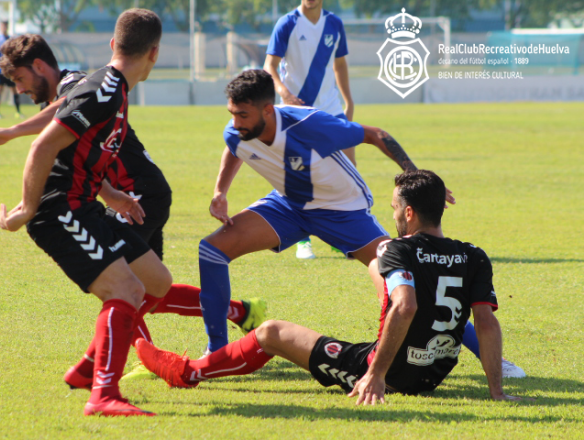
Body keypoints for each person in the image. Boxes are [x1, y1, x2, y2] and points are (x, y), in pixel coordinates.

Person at [0, 33, 267, 384]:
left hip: (137, 191)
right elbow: (77, 156)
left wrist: (11, 131)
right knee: (149, 285)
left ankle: (133, 362)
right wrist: (108, 192)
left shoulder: (80, 84)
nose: (19, 89)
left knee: (125, 286)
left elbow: (61, 118)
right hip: (129, 193)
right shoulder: (93, 89)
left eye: (20, 79)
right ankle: (238, 310)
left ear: (40, 66)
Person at [136, 170, 529, 404]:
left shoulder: (395, 249)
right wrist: (496, 391)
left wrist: (375, 374)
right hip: (435, 373)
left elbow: (405, 307)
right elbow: (486, 323)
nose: (391, 214)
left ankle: (189, 373)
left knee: (271, 332)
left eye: (394, 208)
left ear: (408, 213)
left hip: (391, 373)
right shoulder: (473, 255)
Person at [0, 9, 174, 417]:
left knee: (156, 282)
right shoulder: (103, 91)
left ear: (114, 45)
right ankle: (103, 395)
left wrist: (111, 194)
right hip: (58, 209)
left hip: (87, 204)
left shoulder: (115, 90)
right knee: (125, 291)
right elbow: (43, 146)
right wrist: (26, 209)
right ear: (155, 53)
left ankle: (89, 368)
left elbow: (82, 152)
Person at [198, 69, 440, 356]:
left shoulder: (309, 125)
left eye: (243, 115)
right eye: (232, 113)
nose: (235, 123)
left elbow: (376, 134)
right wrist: (220, 193)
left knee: (398, 284)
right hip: (289, 206)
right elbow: (235, 146)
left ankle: (476, 357)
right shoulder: (238, 130)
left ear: (267, 109)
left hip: (343, 210)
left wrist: (415, 176)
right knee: (212, 250)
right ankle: (217, 351)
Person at [264, 0, 355, 259]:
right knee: (299, 175)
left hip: (331, 109)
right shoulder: (287, 23)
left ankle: (342, 237)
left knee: (348, 173)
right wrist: (283, 92)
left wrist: (349, 100)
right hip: (297, 112)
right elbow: (270, 65)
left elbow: (340, 64)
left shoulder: (335, 24)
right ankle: (303, 239)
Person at [0, 20, 21, 119]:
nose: (4, 27)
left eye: (6, 26)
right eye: (3, 26)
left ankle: (18, 112)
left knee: (14, 90)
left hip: (10, 70)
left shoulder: (10, 39)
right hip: (0, 70)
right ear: (0, 27)